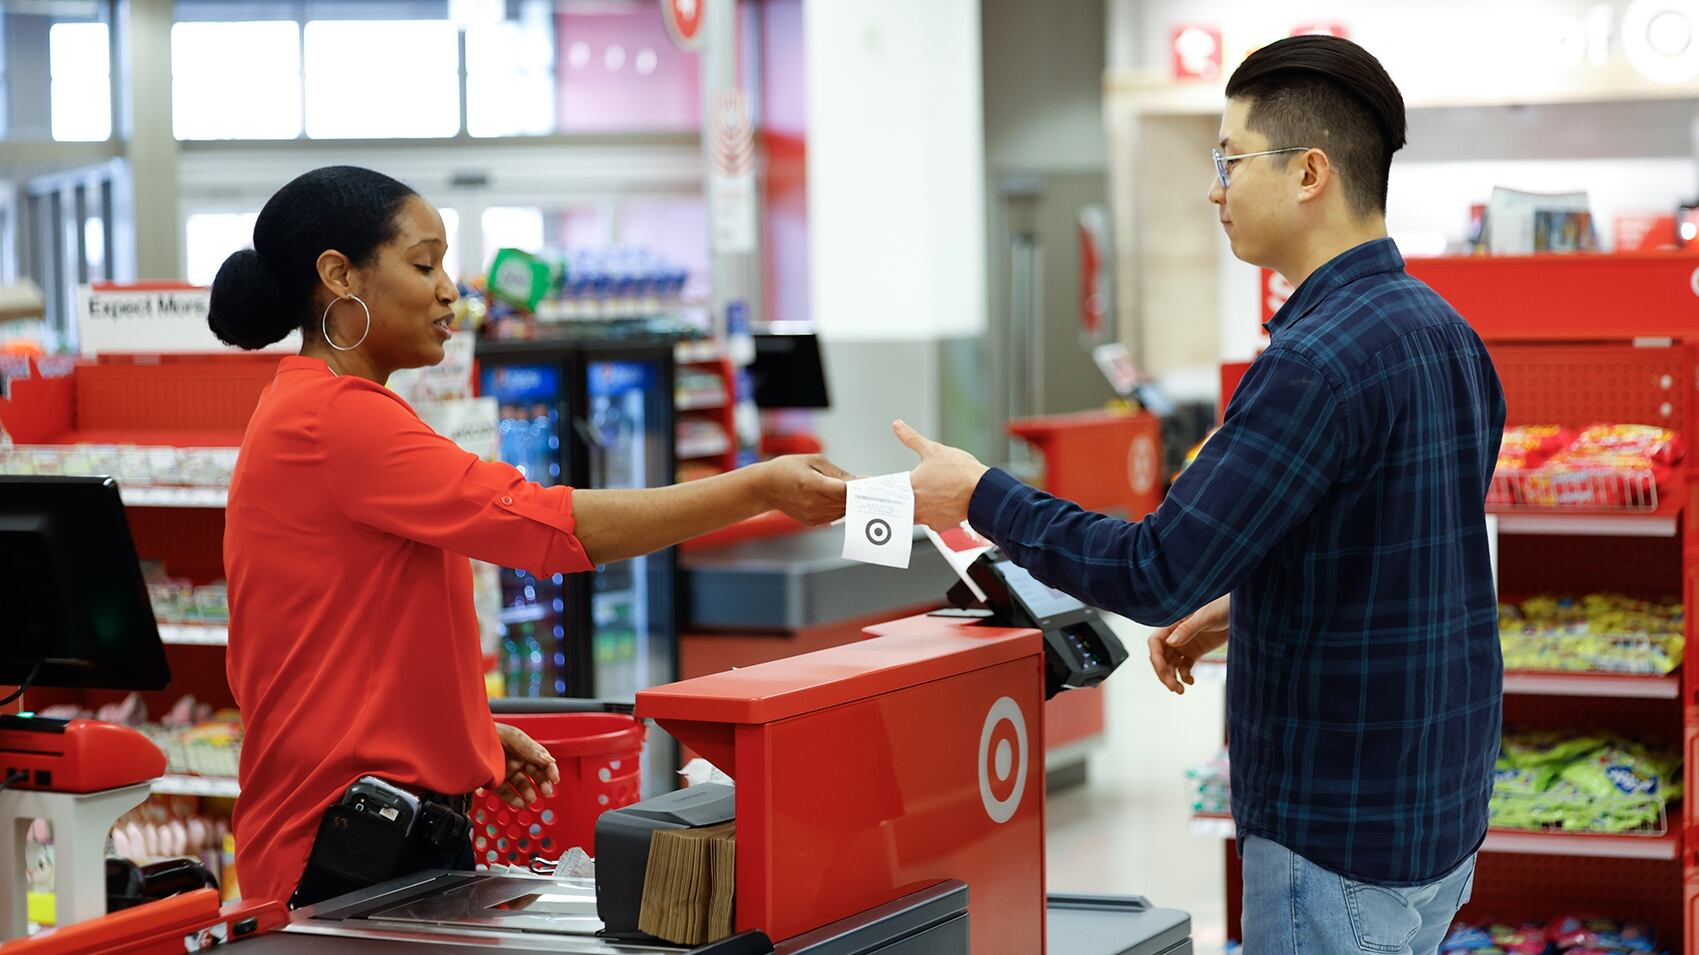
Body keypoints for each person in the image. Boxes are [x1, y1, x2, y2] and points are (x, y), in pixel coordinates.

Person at [900, 36, 1504, 955]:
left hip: (1332, 834)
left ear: (1309, 173)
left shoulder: (1312, 362)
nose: (1213, 188)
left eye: (1228, 159)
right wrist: (1238, 608)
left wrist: (978, 493)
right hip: (1437, 815)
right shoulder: (1447, 335)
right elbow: (1389, 547)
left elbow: (1151, 568)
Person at [208, 165, 852, 907]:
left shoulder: (313, 408)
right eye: (424, 264)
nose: (451, 290)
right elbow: (548, 526)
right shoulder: (338, 419)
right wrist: (758, 486)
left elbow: (355, 623)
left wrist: (462, 735)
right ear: (338, 274)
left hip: (368, 824)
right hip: (338, 845)